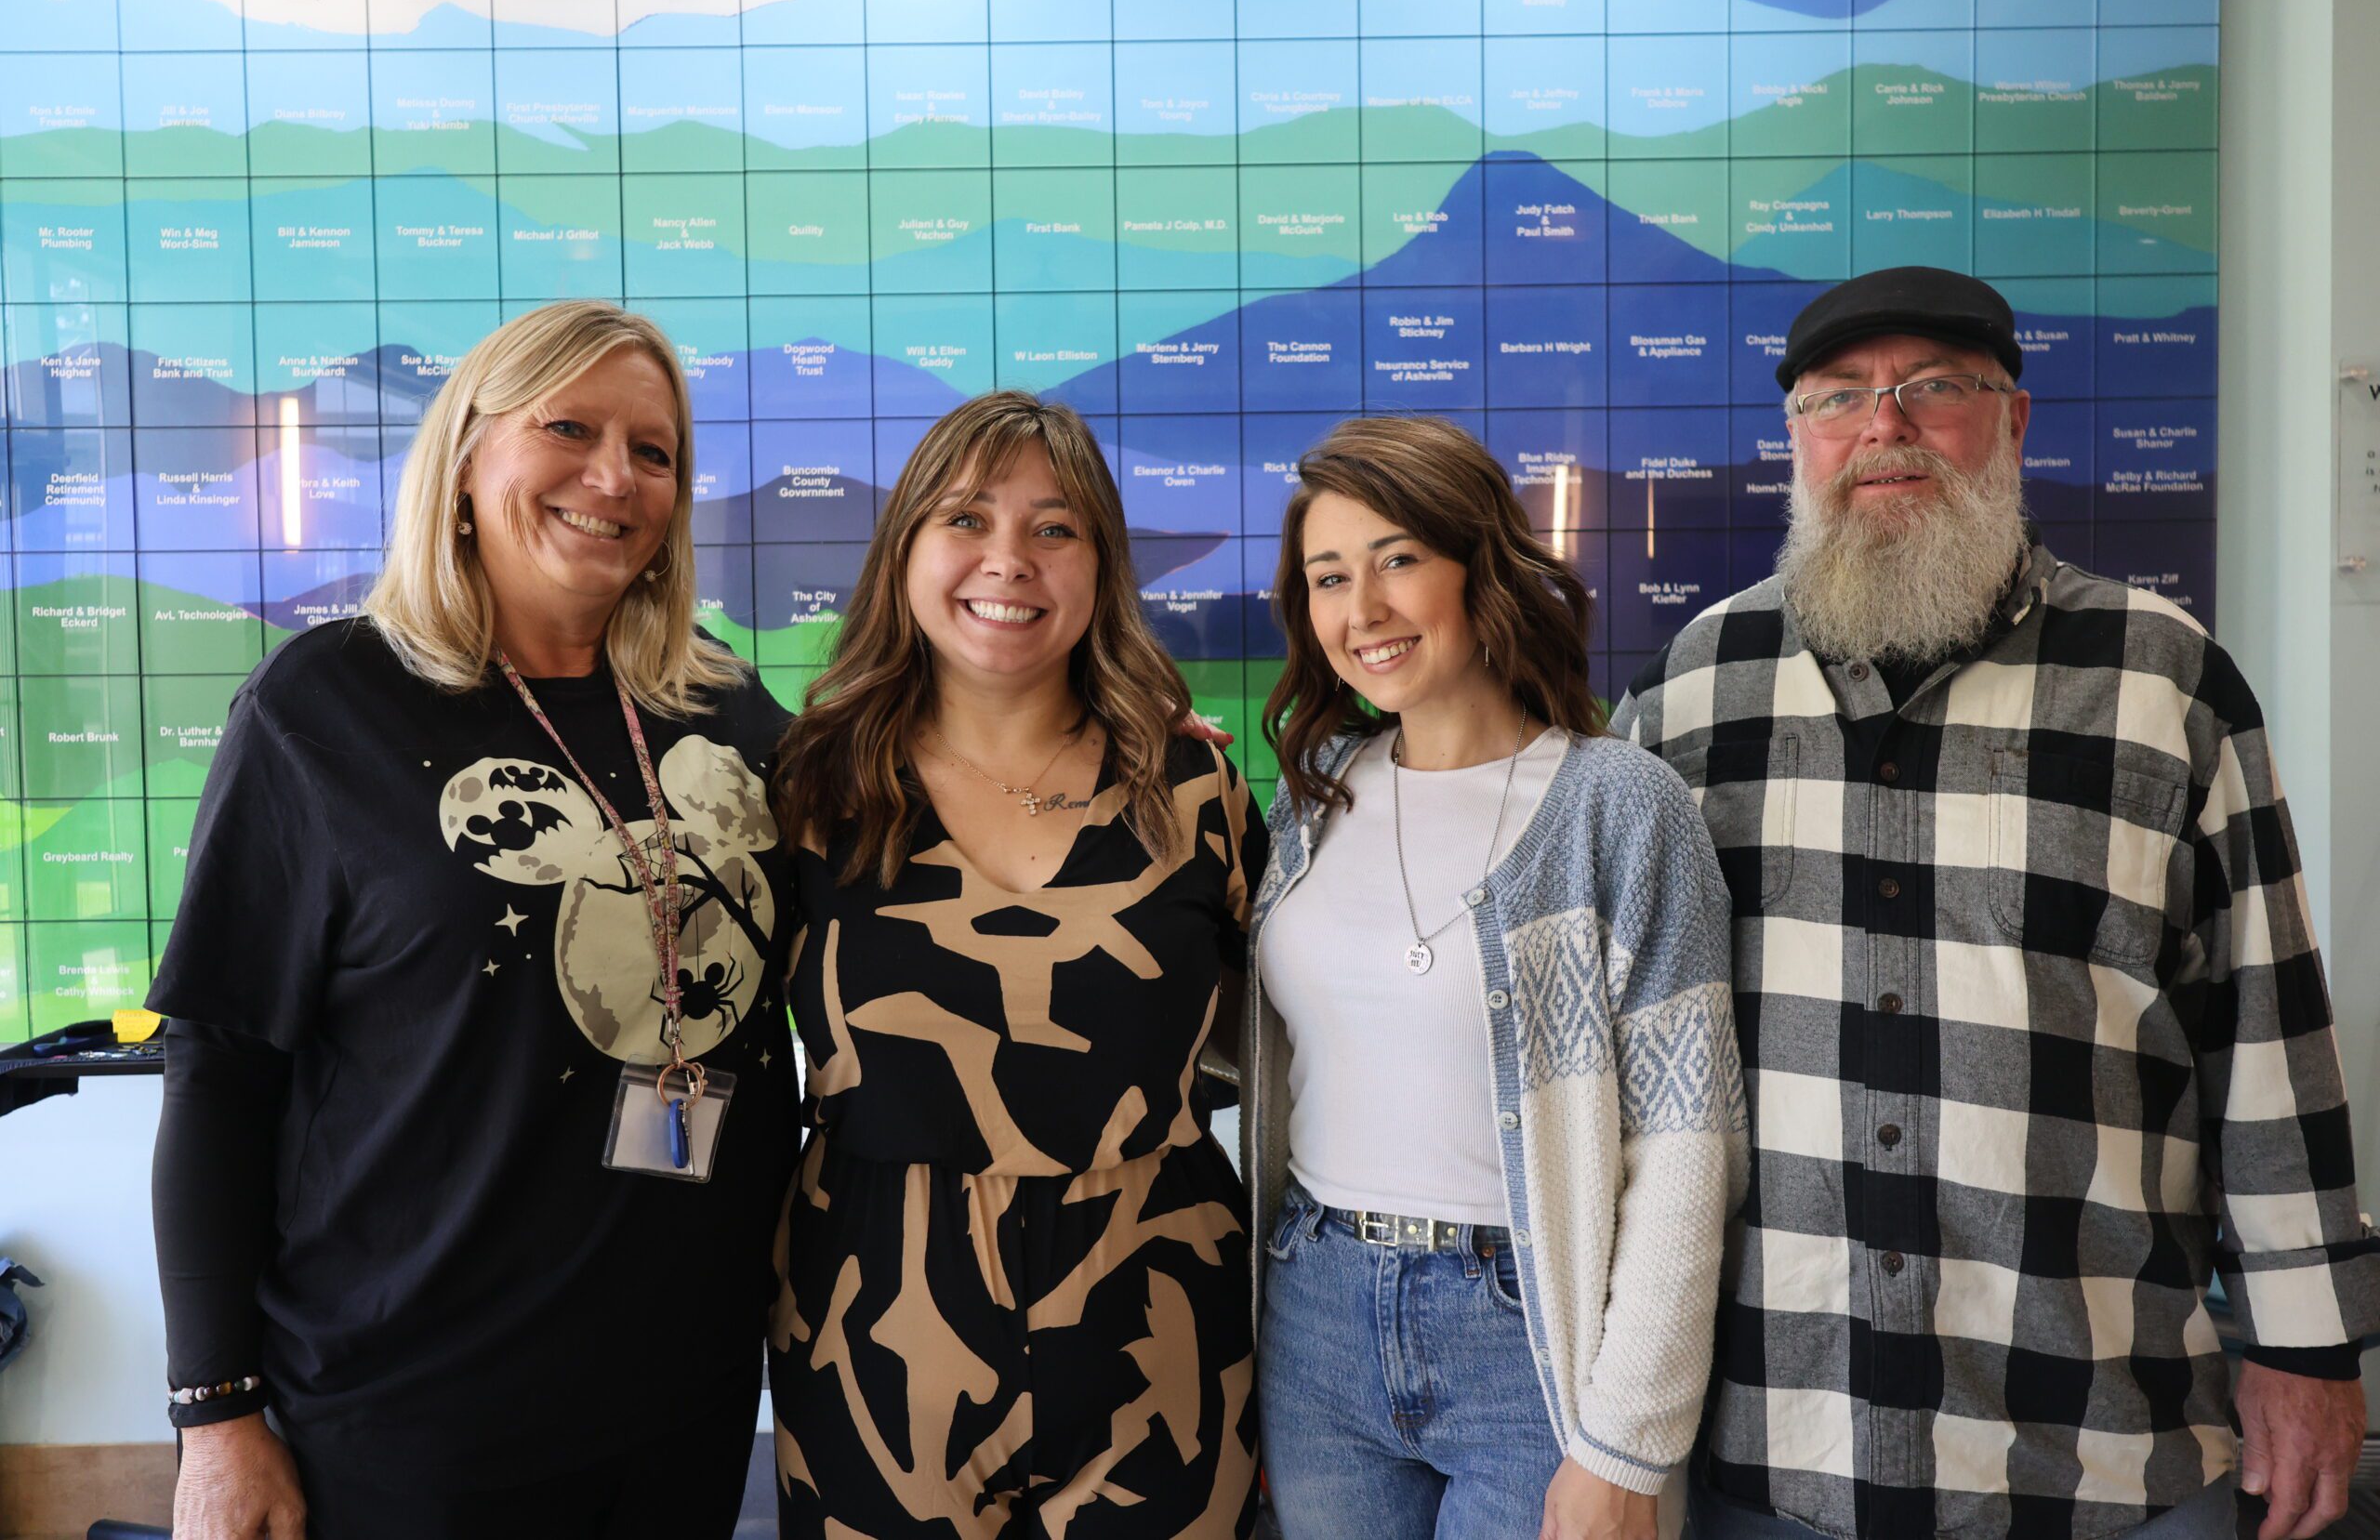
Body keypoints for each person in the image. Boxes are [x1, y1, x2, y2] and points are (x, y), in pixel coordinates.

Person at [1609, 266, 2380, 1540]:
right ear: (1797, 438)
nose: (1884, 425)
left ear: (2013, 421)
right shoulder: (1688, 694)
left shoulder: (2163, 680)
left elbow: (2268, 1029)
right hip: (1778, 1443)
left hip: (2101, 1443)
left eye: (1934, 388)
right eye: (1838, 396)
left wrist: (2306, 1346)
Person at [150, 301, 800, 1539]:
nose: (615, 476)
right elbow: (219, 1072)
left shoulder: (720, 702)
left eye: (654, 450)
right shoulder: (321, 706)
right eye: (569, 428)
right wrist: (216, 1415)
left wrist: (1113, 747)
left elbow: (905, 843)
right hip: (414, 1410)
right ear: (462, 458)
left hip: (689, 1390)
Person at [764, 389, 1264, 1536]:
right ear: (904, 551)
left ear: (1102, 566)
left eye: (1054, 528)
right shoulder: (805, 787)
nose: (1009, 560)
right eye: (966, 519)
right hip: (875, 1327)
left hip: (1161, 1320)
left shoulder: (1194, 790)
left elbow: (1280, 1046)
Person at [1241, 415, 1747, 1540]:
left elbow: (1687, 1147)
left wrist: (1626, 1443)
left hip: (1526, 1332)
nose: (1361, 610)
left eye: (1397, 560)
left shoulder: (1619, 805)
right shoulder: (1311, 790)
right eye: (1329, 577)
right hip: (1315, 1312)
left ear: (1482, 569)